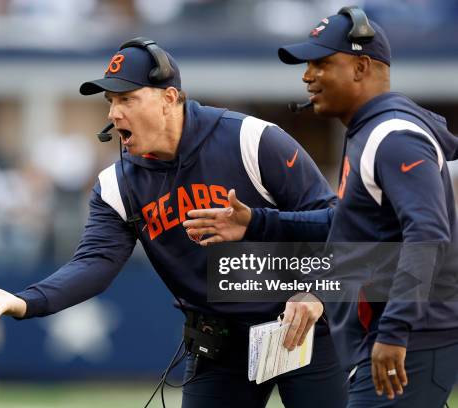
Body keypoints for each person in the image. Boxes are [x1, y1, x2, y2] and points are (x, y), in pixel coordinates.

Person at [0, 37, 348, 407]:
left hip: (303, 328)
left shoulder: (252, 140)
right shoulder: (117, 185)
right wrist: (27, 300)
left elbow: (339, 223)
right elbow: (94, 263)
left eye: (126, 98)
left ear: (168, 98)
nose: (113, 112)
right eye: (110, 100)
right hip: (219, 341)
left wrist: (316, 293)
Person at [183, 7, 458, 408]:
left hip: (413, 336)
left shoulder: (393, 136)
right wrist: (257, 222)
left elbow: (428, 235)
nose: (307, 76)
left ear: (362, 66)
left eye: (321, 63)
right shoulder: (372, 130)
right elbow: (348, 225)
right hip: (400, 334)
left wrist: (395, 332)